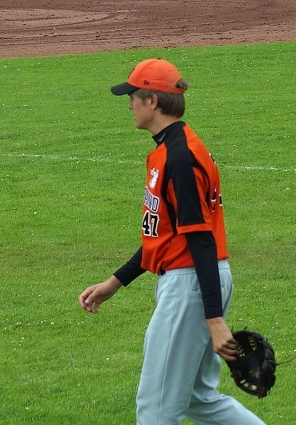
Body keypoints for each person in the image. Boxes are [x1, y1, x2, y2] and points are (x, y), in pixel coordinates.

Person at [78, 58, 265, 425]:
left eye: (132, 96)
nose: (129, 104)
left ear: (153, 101)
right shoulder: (173, 149)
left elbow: (200, 239)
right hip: (196, 277)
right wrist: (115, 282)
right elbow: (165, 235)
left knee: (157, 407)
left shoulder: (180, 157)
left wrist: (214, 319)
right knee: (198, 399)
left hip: (190, 283)